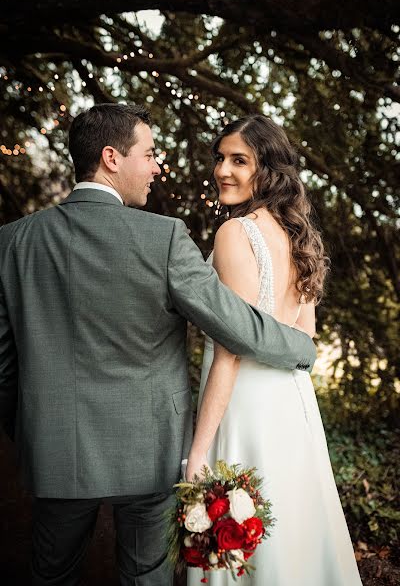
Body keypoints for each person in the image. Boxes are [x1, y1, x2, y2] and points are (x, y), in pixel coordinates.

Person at [0, 103, 316, 586]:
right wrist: (302, 348)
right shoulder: (164, 238)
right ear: (111, 157)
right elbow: (238, 326)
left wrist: (29, 425)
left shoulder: (13, 241)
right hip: (149, 455)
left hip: (54, 447)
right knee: (146, 579)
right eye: (148, 154)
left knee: (50, 575)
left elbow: (3, 364)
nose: (155, 167)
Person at [186, 115, 363, 585]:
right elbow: (305, 341)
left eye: (239, 160)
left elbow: (231, 348)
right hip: (294, 403)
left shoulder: (235, 233)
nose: (223, 169)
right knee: (296, 535)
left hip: (245, 406)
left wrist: (198, 451)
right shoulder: (297, 236)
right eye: (220, 158)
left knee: (249, 548)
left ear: (268, 169)